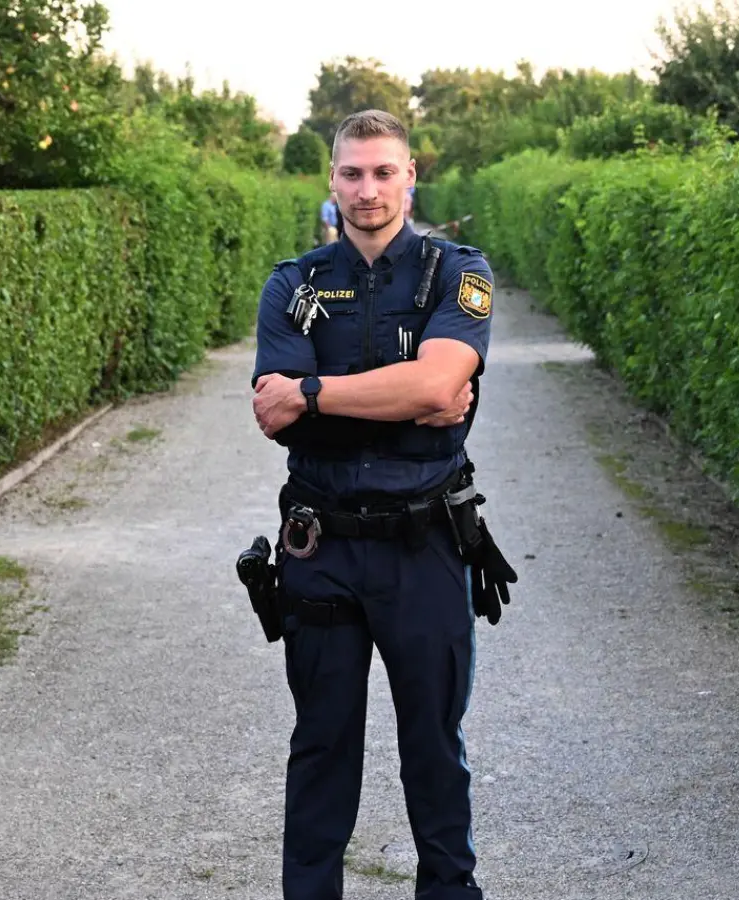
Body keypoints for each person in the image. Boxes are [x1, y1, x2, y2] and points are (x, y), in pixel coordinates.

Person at [249, 109, 516, 900]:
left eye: (384, 172)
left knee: (433, 745)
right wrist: (396, 397)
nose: (369, 190)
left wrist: (313, 391)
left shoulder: (455, 272)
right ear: (331, 182)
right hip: (320, 547)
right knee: (322, 743)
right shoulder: (294, 285)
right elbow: (272, 412)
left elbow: (439, 385)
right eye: (352, 173)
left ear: (409, 177)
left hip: (425, 543)